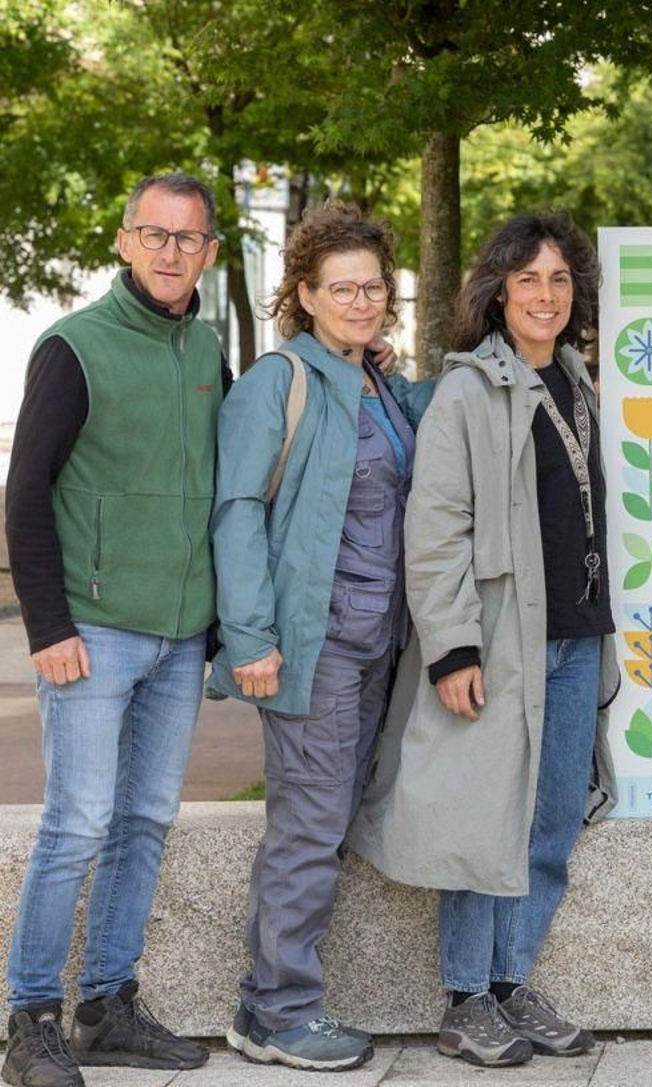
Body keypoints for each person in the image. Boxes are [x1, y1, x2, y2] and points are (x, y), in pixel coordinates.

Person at [349, 212, 620, 1068]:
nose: (546, 295)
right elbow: (435, 530)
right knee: (483, 817)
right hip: (502, 643)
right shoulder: (468, 390)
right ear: (497, 291)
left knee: (547, 824)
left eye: (560, 279)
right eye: (529, 279)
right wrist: (454, 648)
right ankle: (466, 996)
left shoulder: (577, 380)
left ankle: (509, 982)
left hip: (578, 638)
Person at [2, 173, 222, 1087]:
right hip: (92, 630)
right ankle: (30, 1019)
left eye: (188, 238)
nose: (171, 251)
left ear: (210, 252)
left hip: (179, 636)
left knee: (145, 818)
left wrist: (215, 624)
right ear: (126, 241)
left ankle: (106, 1005)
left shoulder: (208, 348)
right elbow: (25, 493)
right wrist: (47, 623)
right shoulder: (74, 346)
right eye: (154, 234)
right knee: (78, 821)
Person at [210, 201, 431, 1071]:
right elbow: (236, 512)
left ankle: (266, 999)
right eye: (343, 288)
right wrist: (251, 637)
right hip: (311, 644)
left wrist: (390, 368)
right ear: (304, 292)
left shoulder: (373, 380)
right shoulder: (279, 381)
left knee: (324, 819)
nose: (362, 299)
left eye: (374, 286)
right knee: (307, 824)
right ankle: (279, 1011)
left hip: (379, 641)